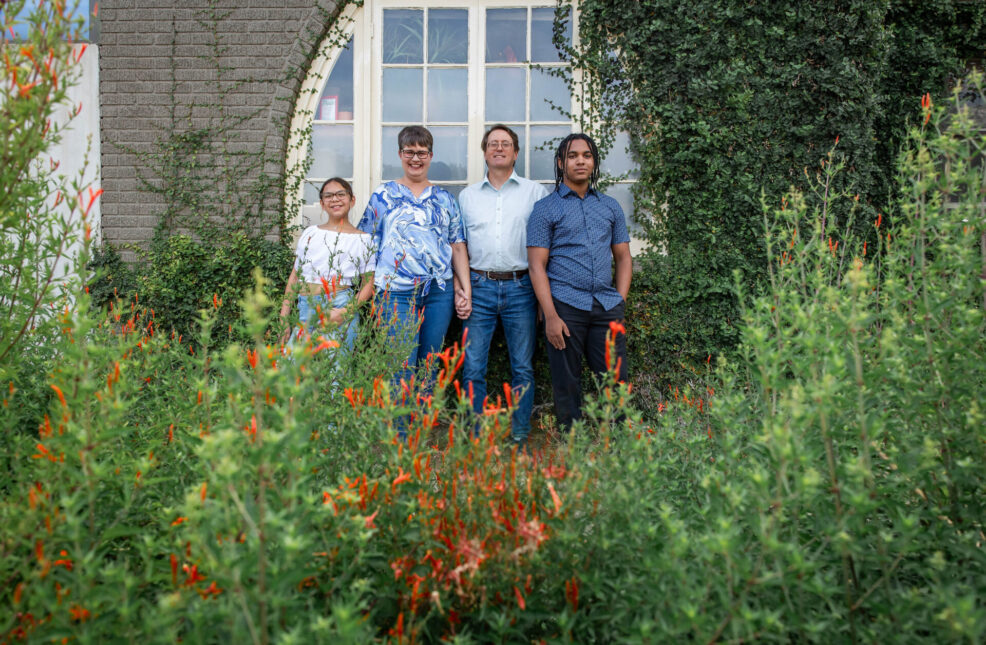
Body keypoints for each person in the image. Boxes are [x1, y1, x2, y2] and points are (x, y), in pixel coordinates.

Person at [526, 133, 633, 432]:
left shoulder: (610, 207)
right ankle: (571, 443)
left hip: (606, 307)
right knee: (566, 382)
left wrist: (620, 302)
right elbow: (536, 266)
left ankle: (619, 442)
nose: (580, 161)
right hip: (565, 306)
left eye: (586, 155)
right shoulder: (545, 209)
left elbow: (624, 257)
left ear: (594, 162)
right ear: (561, 163)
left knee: (615, 379)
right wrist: (550, 316)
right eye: (572, 156)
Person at [359, 125, 470, 389]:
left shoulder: (445, 199)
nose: (415, 158)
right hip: (394, 292)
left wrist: (465, 289)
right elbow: (366, 244)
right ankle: (400, 419)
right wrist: (367, 286)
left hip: (438, 293)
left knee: (429, 365)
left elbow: (457, 245)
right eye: (409, 152)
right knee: (400, 366)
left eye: (422, 152)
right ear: (400, 154)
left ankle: (424, 416)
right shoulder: (383, 195)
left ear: (431, 156)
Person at [457, 124, 547, 448]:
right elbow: (458, 246)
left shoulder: (535, 193)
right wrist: (461, 288)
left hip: (522, 288)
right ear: (484, 152)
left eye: (505, 144)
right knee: (473, 367)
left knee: (522, 367)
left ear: (516, 153)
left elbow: (546, 246)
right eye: (493, 143)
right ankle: (476, 436)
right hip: (478, 286)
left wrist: (544, 299)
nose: (498, 148)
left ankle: (520, 435)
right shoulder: (467, 197)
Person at [280, 177, 376, 350]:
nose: (335, 199)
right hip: (305, 309)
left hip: (339, 307)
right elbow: (294, 277)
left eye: (341, 194)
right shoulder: (310, 233)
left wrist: (344, 312)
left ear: (352, 200)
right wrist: (284, 318)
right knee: (291, 364)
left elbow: (368, 285)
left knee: (335, 366)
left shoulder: (363, 239)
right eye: (328, 196)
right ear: (322, 203)